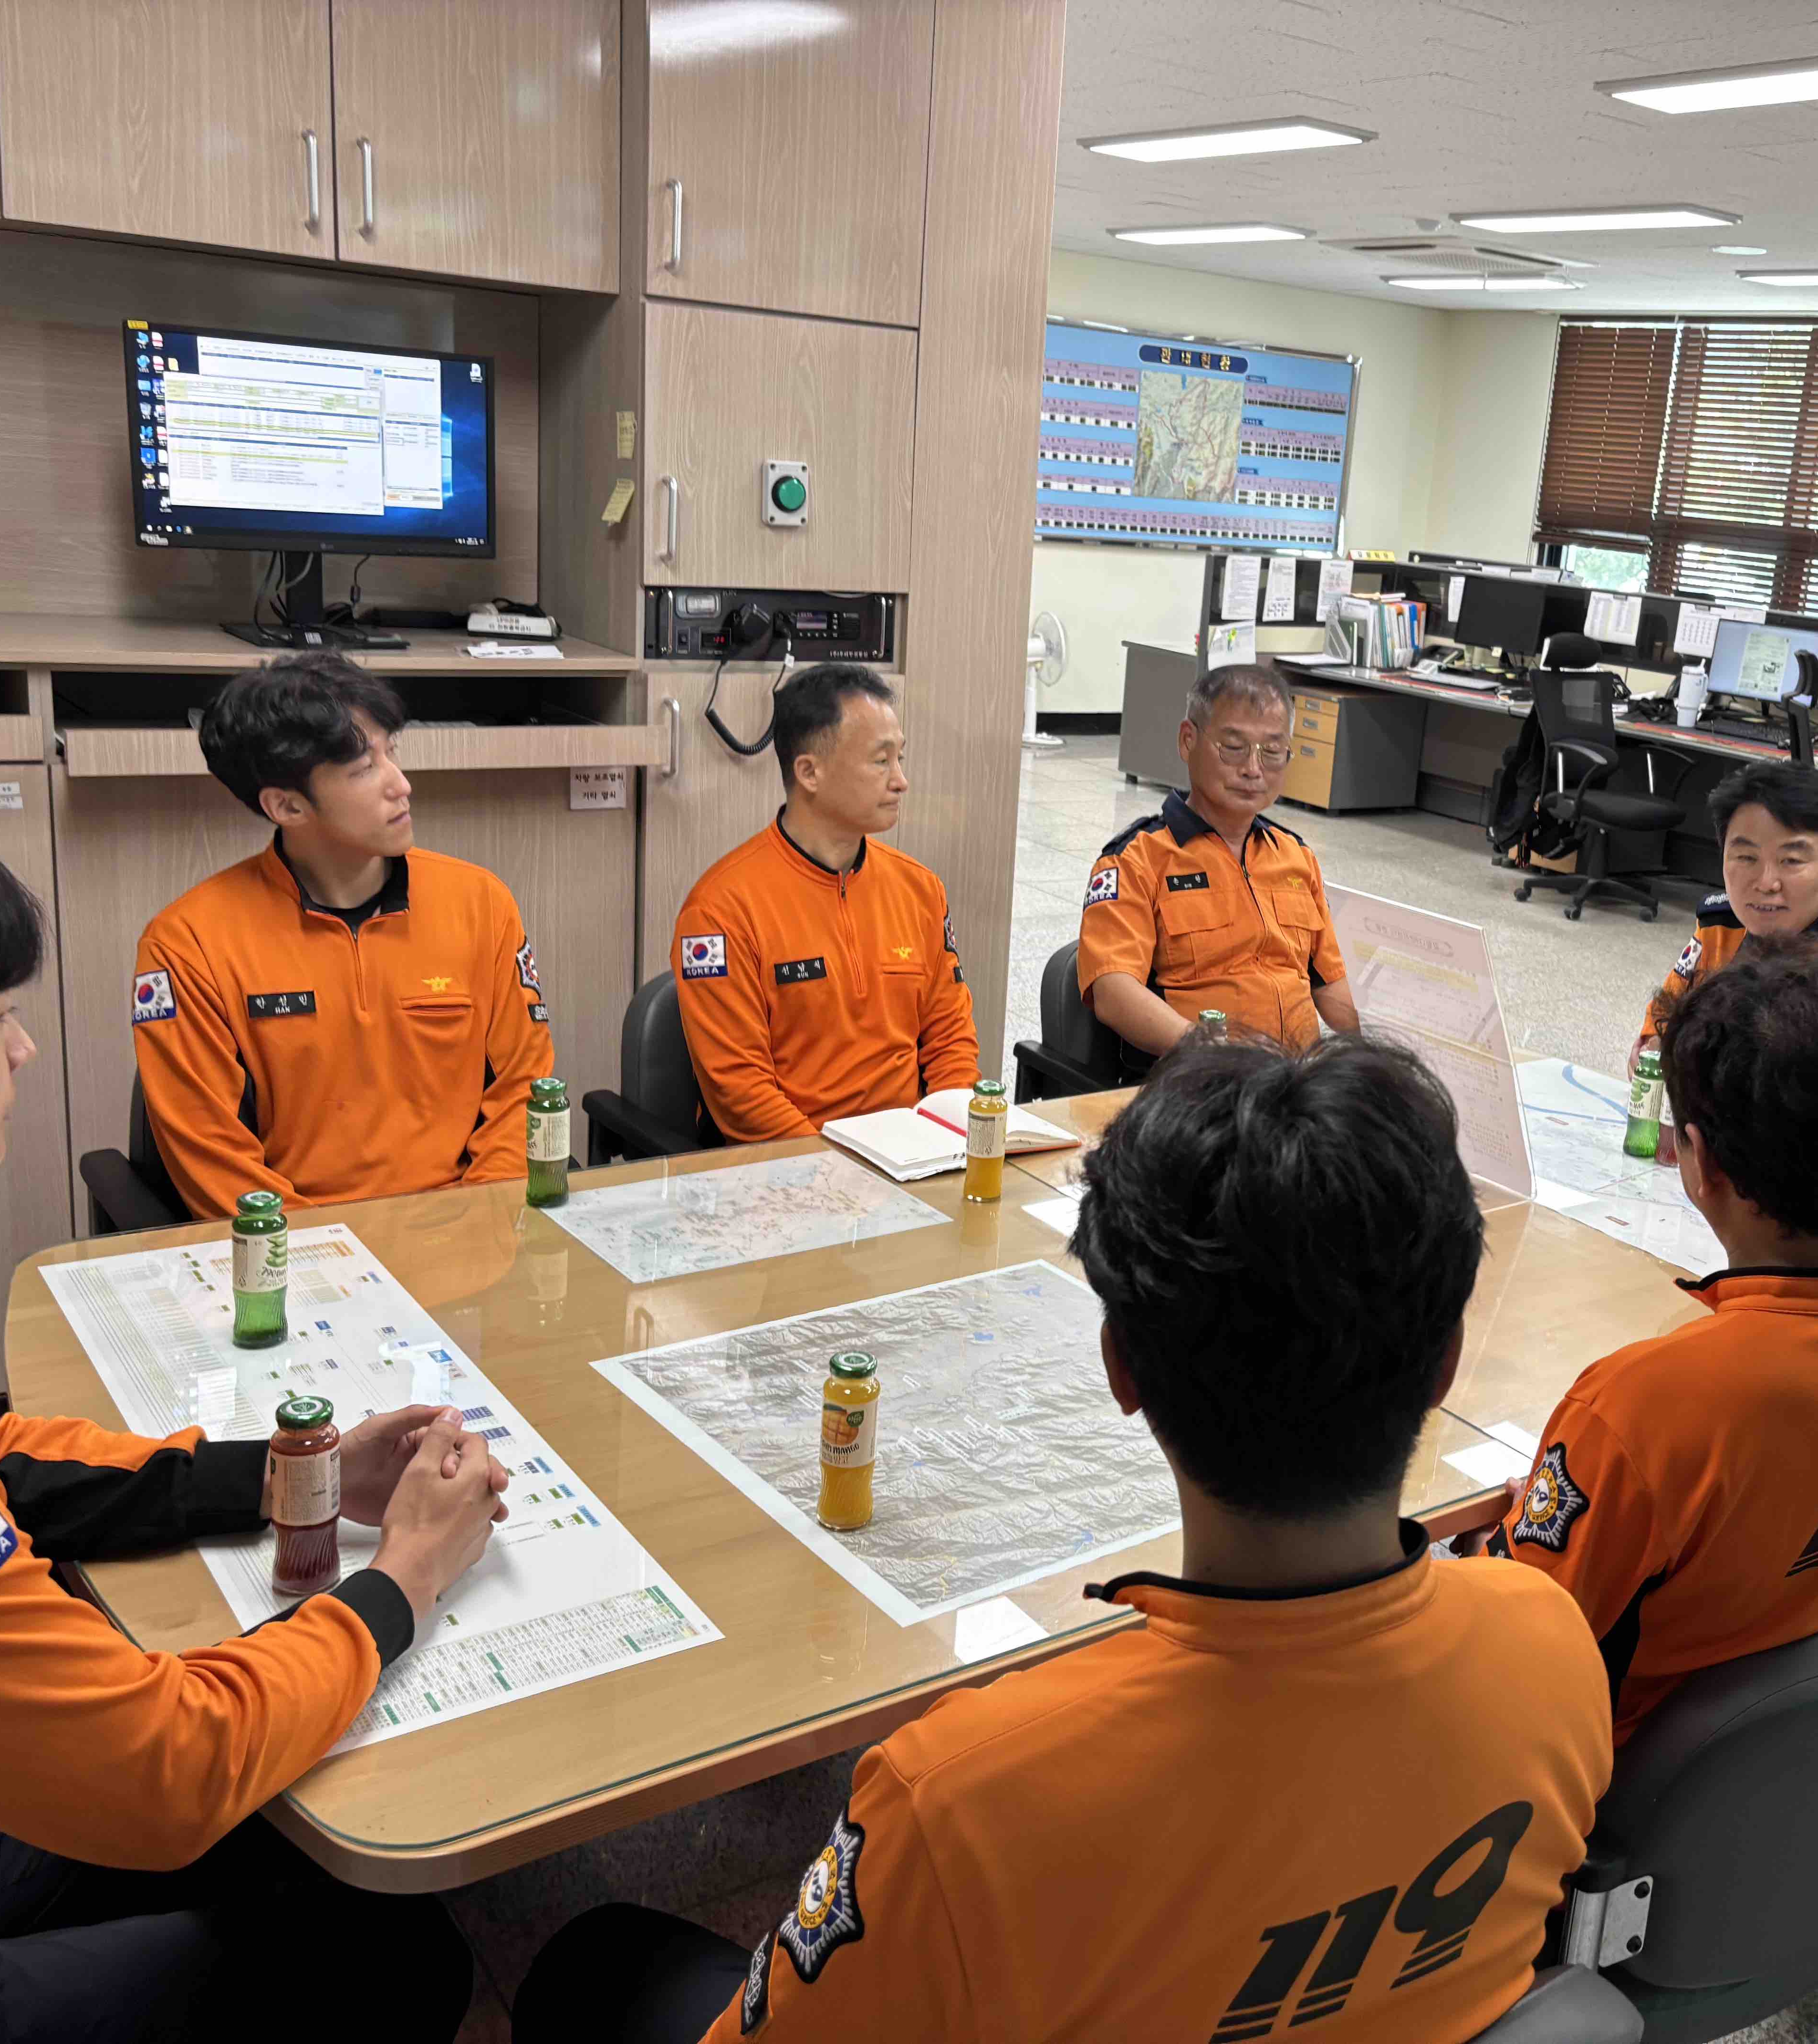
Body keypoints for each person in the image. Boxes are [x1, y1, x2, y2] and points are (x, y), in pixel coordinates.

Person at [511, 1035, 1613, 2044]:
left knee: (597, 1965)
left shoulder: (966, 1797)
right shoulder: (1553, 1644)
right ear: (1447, 1358)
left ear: (1120, 1367)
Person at [0, 782, 507, 2042]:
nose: (22, 1051)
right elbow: (168, 1764)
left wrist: (290, 1473)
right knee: (391, 1956)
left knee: (286, 1837)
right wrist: (406, 1578)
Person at [1492, 950, 1818, 1752]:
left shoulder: (1641, 1410)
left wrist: (1505, 1539)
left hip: (1637, 1793)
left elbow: (1510, 1652)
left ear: (1698, 1162)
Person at [133, 652, 555, 1219]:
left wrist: (480, 1228)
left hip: (468, 1231)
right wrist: (331, 1254)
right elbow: (212, 1160)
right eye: (363, 769)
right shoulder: (188, 946)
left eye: (391, 752)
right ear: (287, 806)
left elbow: (525, 1094)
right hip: (299, 1247)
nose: (401, 785)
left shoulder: (482, 904)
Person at [673, 663, 978, 1142]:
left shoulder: (921, 889)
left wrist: (948, 1134)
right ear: (810, 772)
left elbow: (951, 1041)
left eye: (900, 758)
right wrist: (831, 1169)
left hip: (912, 1153)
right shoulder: (719, 911)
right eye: (881, 761)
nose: (901, 781)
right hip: (790, 1164)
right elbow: (740, 1092)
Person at [1077, 664, 1361, 1054]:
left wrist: (1395, 1049)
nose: (1253, 770)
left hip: (1298, 1078)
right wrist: (1211, 1052)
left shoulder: (1296, 858)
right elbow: (1113, 992)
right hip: (1201, 1074)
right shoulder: (1136, 860)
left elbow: (1330, 985)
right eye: (1233, 748)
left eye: (1272, 752)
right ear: (1188, 741)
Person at [1634, 759, 1818, 1066]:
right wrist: (1653, 1051)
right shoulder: (1721, 923)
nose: (1766, 884)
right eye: (1746, 857)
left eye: (1792, 861)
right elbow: (1664, 1022)